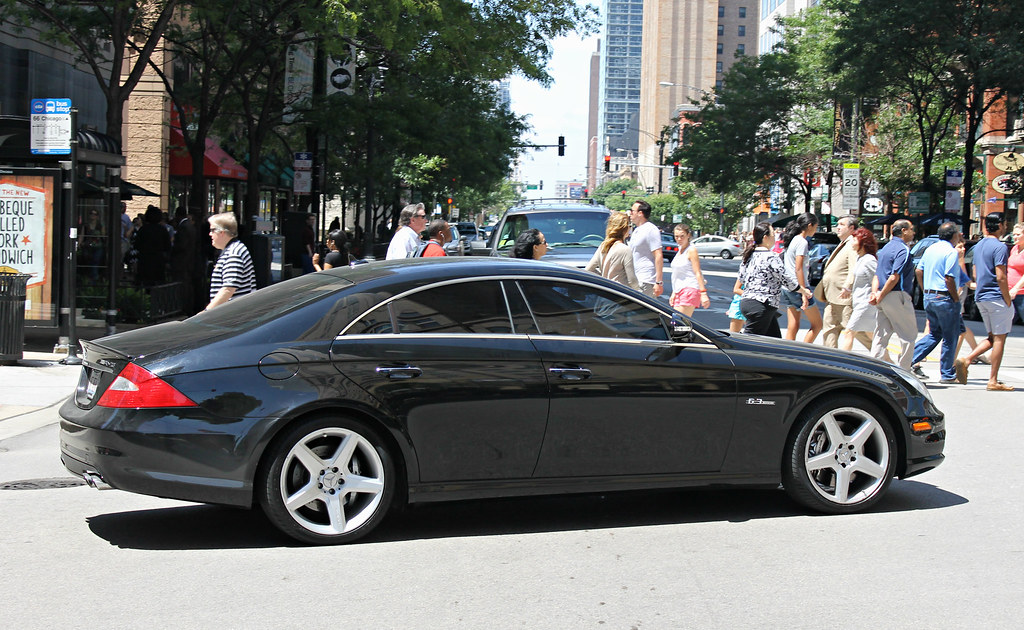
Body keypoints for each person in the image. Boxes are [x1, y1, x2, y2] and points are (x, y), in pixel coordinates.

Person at [956, 213, 1014, 391]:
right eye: (1004, 223)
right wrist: (1007, 298)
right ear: (999, 225)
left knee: (992, 337)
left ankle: (967, 359)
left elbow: (974, 272)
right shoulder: (1000, 247)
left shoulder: (979, 246)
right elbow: (1001, 276)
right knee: (999, 339)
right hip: (996, 296)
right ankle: (993, 380)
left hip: (981, 296)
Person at [908, 222, 966, 384]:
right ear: (953, 235)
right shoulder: (951, 252)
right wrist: (955, 298)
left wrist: (925, 289)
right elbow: (949, 278)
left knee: (935, 333)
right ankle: (947, 373)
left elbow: (919, 270)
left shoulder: (931, 249)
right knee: (950, 335)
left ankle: (909, 359)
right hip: (944, 297)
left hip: (930, 296)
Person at [738, 221, 810, 337]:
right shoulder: (771, 257)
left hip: (749, 302)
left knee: (774, 339)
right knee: (749, 341)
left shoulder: (749, 255)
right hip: (761, 304)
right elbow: (785, 278)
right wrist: (803, 290)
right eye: (773, 235)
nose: (775, 238)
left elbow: (741, 277)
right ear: (765, 237)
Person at [870, 218, 918, 370]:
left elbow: (877, 275)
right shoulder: (903, 250)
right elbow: (894, 276)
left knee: (881, 335)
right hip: (897, 295)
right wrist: (881, 295)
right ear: (903, 231)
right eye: (911, 229)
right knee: (908, 336)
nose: (913, 232)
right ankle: (905, 371)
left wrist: (875, 294)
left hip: (882, 296)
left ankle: (873, 367)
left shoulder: (885, 249)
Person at [814, 215, 859, 348]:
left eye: (841, 225)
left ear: (851, 228)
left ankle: (882, 357)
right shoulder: (843, 243)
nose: (838, 227)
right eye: (838, 224)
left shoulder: (852, 244)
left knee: (857, 331)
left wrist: (848, 286)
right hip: (832, 296)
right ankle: (829, 360)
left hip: (843, 296)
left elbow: (854, 268)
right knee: (829, 330)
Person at [780, 213, 823, 343]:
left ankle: (788, 354)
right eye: (816, 227)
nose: (816, 230)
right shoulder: (802, 242)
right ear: (810, 225)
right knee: (817, 325)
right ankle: (805, 352)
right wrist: (804, 291)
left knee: (793, 325)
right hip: (798, 287)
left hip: (787, 286)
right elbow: (798, 268)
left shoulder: (792, 240)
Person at [206, 212, 256, 310]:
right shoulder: (234, 249)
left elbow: (228, 289)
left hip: (233, 316)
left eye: (212, 230)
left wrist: (207, 312)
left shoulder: (233, 253)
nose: (210, 234)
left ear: (222, 232)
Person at [840, 227, 878, 352]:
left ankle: (842, 364)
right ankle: (889, 362)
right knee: (871, 334)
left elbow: (876, 278)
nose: (852, 242)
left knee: (849, 332)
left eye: (855, 239)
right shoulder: (860, 258)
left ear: (863, 242)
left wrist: (874, 294)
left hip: (866, 303)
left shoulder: (869, 260)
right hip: (858, 301)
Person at [586, 212, 639, 289]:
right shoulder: (625, 250)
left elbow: (589, 269)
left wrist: (604, 278)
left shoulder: (603, 246)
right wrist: (639, 291)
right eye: (630, 226)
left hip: (605, 292)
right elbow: (632, 280)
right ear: (625, 228)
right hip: (620, 294)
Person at [668, 224, 710, 316]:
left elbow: (697, 272)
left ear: (688, 235)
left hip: (689, 289)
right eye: (676, 236)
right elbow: (677, 275)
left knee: (679, 324)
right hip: (679, 290)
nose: (679, 239)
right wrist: (674, 292)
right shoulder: (680, 250)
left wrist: (703, 293)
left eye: (682, 236)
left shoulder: (691, 250)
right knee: (676, 324)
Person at [628, 200, 663, 298]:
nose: (630, 213)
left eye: (632, 211)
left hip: (646, 280)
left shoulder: (651, 230)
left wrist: (658, 282)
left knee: (645, 312)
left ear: (640, 213)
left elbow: (658, 255)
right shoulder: (637, 230)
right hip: (636, 279)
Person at [134, 204, 171, 287]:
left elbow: (137, 245)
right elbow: (168, 246)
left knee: (146, 284)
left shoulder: (143, 229)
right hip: (159, 261)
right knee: (158, 284)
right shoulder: (163, 230)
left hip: (145, 260)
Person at [170, 205, 198, 315]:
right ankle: (186, 307)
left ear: (177, 215)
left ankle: (183, 308)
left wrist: (173, 249)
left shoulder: (184, 227)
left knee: (183, 286)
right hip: (188, 261)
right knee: (186, 285)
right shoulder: (190, 226)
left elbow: (181, 246)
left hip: (182, 262)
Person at [1008, 222, 1024, 323]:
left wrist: (1016, 288)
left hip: (1021, 293)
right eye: (1014, 234)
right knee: (1006, 323)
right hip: (1009, 292)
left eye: (1018, 234)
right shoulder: (1014, 249)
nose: (1015, 237)